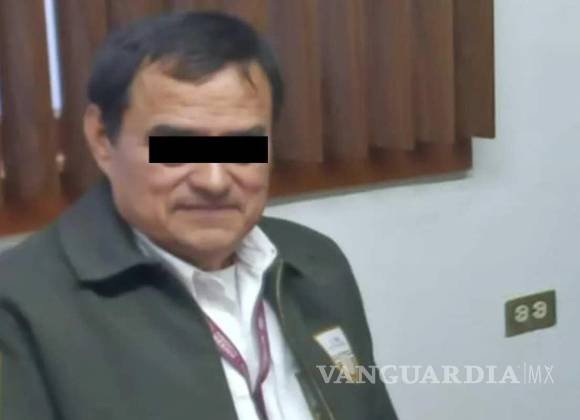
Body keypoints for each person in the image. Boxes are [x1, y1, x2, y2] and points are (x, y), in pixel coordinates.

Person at [0, 11, 398, 420]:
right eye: (176, 145)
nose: (213, 180)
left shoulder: (314, 265)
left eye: (242, 145)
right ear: (103, 139)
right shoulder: (20, 307)